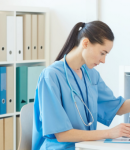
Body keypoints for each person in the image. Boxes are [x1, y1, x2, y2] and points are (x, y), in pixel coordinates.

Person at [32, 21, 130, 150]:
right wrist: (109, 133)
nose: (103, 60)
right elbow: (62, 135)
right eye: (102, 53)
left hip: (85, 146)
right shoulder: (51, 76)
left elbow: (116, 107)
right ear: (85, 43)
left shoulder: (91, 75)